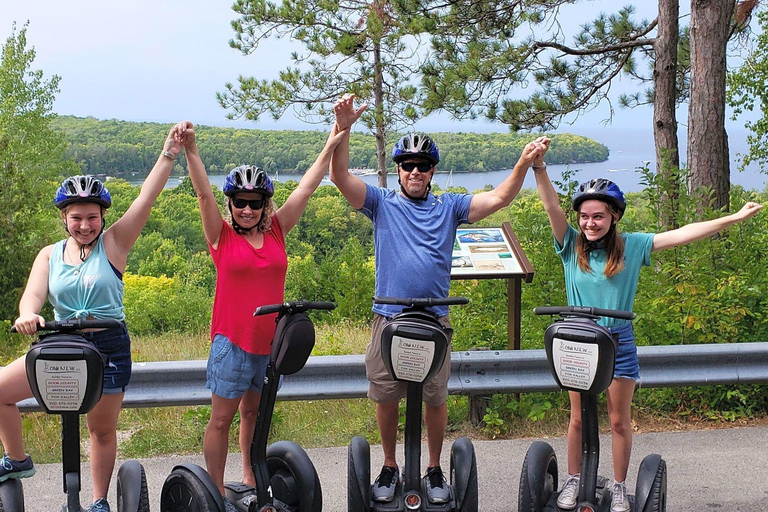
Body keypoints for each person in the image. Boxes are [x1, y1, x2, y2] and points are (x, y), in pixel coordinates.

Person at [330, 94, 550, 504]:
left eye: (423, 166)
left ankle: (432, 467)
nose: (415, 172)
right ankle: (390, 466)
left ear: (432, 172)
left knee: (435, 396)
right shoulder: (381, 203)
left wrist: (523, 163)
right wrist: (342, 130)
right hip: (388, 316)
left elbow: (499, 198)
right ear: (398, 170)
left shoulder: (449, 207)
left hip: (434, 320)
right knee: (386, 394)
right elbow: (340, 177)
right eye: (408, 165)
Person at [533, 162, 763, 512]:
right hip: (578, 341)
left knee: (617, 420)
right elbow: (551, 206)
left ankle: (621, 487)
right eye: (584, 216)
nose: (590, 223)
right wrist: (539, 169)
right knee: (578, 418)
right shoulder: (570, 245)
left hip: (617, 342)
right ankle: (575, 479)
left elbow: (684, 233)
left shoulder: (632, 246)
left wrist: (732, 218)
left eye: (598, 216)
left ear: (613, 218)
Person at [176, 109, 357, 510]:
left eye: (254, 202)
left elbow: (308, 188)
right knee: (221, 420)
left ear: (264, 203)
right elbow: (204, 194)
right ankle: (217, 491)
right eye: (240, 202)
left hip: (268, 344)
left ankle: (250, 478)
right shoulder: (221, 237)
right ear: (232, 204)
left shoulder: (277, 230)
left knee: (254, 416)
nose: (247, 209)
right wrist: (191, 149)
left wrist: (336, 136)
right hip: (232, 341)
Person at [0, 125, 184, 512]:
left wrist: (169, 153)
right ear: (64, 218)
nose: (85, 225)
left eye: (92, 217)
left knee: (100, 430)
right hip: (60, 344)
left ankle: (98, 501)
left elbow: (146, 198)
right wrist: (28, 315)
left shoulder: (115, 243)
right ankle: (17, 459)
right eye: (77, 218)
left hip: (107, 346)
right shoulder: (49, 255)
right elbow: (32, 296)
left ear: (103, 217)